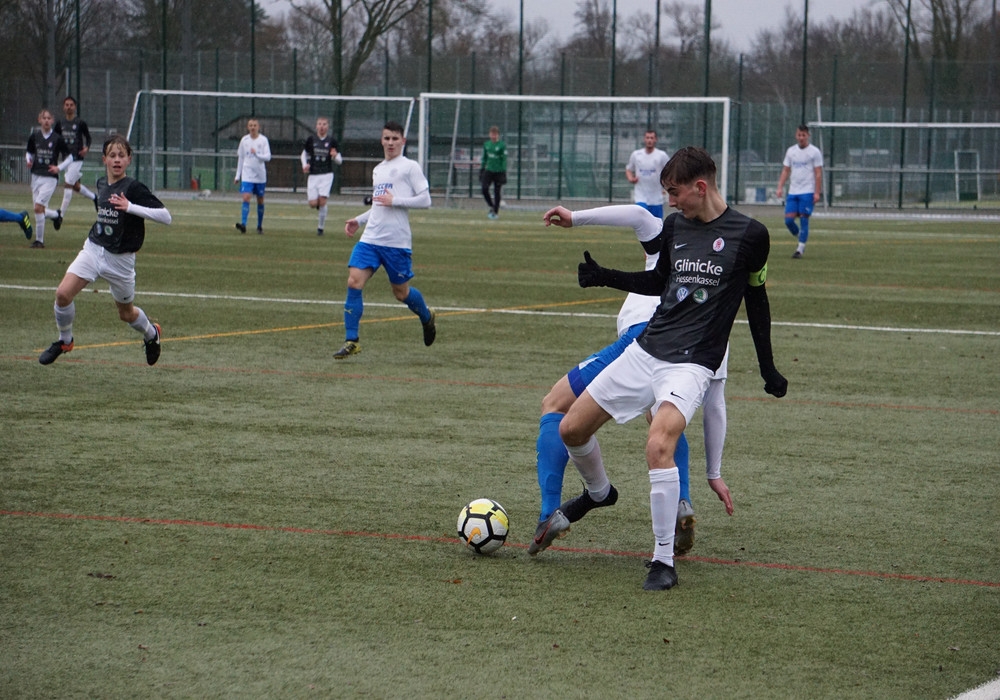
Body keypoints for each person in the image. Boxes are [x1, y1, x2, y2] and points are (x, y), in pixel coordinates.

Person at [532, 147, 788, 592]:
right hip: (646, 350)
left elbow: (757, 301)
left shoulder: (752, 235)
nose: (670, 201)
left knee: (658, 445)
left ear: (700, 187)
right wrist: (605, 275)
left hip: (690, 365)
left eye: (675, 192)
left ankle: (662, 560)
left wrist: (768, 367)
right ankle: (599, 493)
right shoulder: (675, 227)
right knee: (570, 430)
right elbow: (658, 282)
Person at [529, 203, 731, 559]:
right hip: (682, 355)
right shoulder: (711, 296)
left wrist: (574, 218)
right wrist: (713, 471)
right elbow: (715, 400)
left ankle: (556, 508)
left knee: (555, 405)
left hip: (640, 342)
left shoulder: (667, 247)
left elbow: (639, 215)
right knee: (664, 420)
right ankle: (681, 499)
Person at [37, 134, 172, 366]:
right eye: (112, 155)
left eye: (121, 155)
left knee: (126, 314)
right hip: (93, 249)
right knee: (62, 294)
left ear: (129, 159)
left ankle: (151, 334)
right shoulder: (101, 184)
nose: (117, 160)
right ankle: (65, 340)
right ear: (104, 160)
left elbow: (166, 216)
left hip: (121, 261)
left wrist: (131, 207)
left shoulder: (134, 188)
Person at [337, 121, 436, 359]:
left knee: (401, 293)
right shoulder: (378, 169)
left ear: (403, 141)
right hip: (370, 238)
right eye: (386, 138)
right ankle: (352, 340)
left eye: (395, 138)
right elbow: (380, 206)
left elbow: (426, 200)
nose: (390, 143)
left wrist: (397, 200)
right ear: (381, 141)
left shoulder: (410, 167)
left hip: (396, 243)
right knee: (354, 281)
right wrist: (359, 220)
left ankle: (426, 316)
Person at [25, 108, 71, 248]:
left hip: (50, 177)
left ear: (52, 121)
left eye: (48, 118)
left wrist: (59, 168)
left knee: (39, 208)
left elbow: (70, 157)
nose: (46, 120)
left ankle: (40, 241)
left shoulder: (57, 138)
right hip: (36, 175)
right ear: (39, 120)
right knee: (38, 209)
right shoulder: (34, 136)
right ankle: (56, 215)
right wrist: (28, 160)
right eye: (43, 118)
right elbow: (29, 152)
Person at [776, 124, 823, 259]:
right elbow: (786, 170)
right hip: (793, 191)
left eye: (803, 135)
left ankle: (800, 249)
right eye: (799, 135)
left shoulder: (814, 152)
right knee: (788, 221)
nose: (801, 138)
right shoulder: (791, 151)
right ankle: (801, 236)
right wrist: (780, 187)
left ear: (808, 136)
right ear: (796, 135)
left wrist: (817, 192)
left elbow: (818, 173)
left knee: (804, 219)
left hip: (807, 191)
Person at [54, 96, 96, 214]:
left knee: (68, 184)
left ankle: (60, 215)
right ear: (63, 107)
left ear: (75, 107)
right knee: (75, 186)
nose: (69, 107)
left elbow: (88, 137)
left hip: (77, 158)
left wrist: (86, 147)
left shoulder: (80, 123)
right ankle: (95, 198)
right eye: (67, 105)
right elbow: (55, 139)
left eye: (71, 105)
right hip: (65, 158)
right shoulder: (60, 123)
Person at [301, 117, 342, 236]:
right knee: (313, 204)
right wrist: (305, 165)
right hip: (313, 175)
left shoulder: (332, 141)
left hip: (326, 175)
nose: (322, 126)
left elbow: (340, 160)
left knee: (322, 201)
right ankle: (320, 206)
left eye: (324, 124)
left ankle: (320, 228)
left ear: (328, 127)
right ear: (316, 126)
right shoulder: (311, 139)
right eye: (320, 124)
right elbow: (304, 154)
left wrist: (335, 156)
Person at [234, 117, 271, 234]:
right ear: (247, 127)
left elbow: (268, 157)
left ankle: (259, 226)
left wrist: (257, 154)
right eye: (250, 125)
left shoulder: (263, 140)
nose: (253, 127)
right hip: (247, 174)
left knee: (260, 200)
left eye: (255, 125)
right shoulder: (244, 141)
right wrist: (237, 175)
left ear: (258, 127)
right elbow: (241, 158)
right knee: (246, 197)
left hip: (260, 176)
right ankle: (243, 224)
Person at [625, 130, 671, 219]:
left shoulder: (661, 155)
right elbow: (628, 169)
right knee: (642, 222)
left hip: (656, 197)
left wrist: (666, 182)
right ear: (644, 139)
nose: (649, 140)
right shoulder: (636, 154)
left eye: (652, 138)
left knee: (656, 226)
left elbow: (670, 169)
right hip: (640, 196)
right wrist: (631, 178)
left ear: (655, 140)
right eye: (647, 138)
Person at [480, 126, 507, 219]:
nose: (493, 136)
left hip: (498, 172)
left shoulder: (502, 145)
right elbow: (484, 158)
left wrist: (503, 171)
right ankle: (491, 205)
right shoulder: (487, 145)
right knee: (484, 189)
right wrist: (482, 168)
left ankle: (495, 212)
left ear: (498, 135)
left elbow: (504, 159)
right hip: (489, 170)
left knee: (497, 191)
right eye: (492, 134)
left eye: (495, 134)